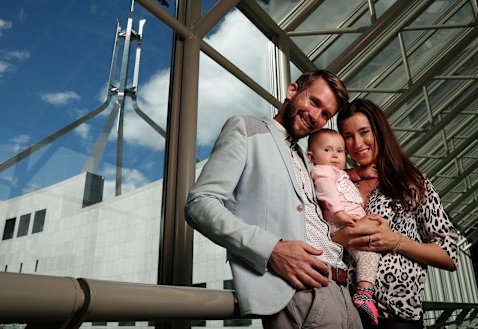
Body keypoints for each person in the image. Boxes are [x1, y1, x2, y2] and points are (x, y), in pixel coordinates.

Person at [185, 70, 363, 328]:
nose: (316, 117)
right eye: (314, 102)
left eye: (325, 114)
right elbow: (199, 203)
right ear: (292, 91)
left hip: (343, 292)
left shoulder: (307, 157)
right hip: (300, 294)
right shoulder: (245, 129)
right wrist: (272, 249)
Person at [331, 98, 459, 329]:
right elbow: (318, 238)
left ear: (379, 132)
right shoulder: (338, 184)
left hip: (397, 317)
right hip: (342, 313)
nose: (357, 143)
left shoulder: (412, 183)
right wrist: (342, 238)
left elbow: (449, 255)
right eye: (348, 136)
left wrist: (395, 241)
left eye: (364, 132)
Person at [307, 128, 380, 326]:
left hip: (349, 221)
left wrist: (360, 172)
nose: (335, 155)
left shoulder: (338, 173)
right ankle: (364, 293)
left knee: (368, 253)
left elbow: (348, 176)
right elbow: (327, 192)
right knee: (368, 252)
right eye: (328, 150)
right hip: (338, 223)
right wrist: (339, 212)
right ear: (311, 156)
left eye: (339, 151)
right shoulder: (321, 172)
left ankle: (364, 292)